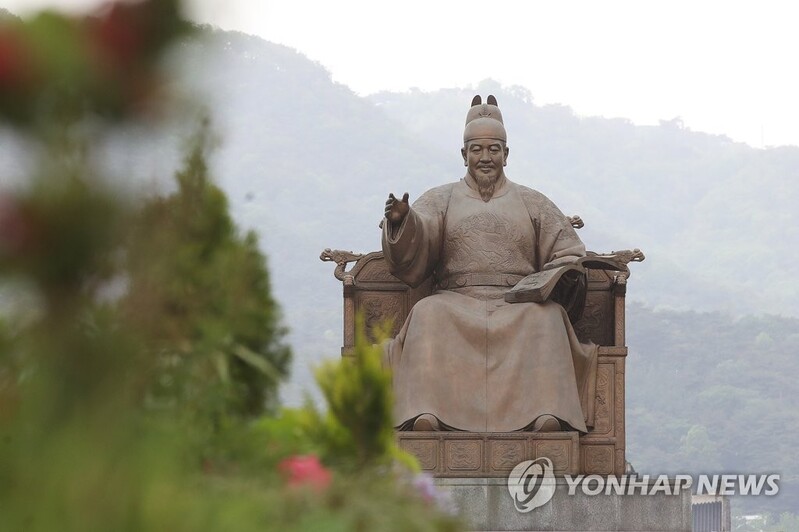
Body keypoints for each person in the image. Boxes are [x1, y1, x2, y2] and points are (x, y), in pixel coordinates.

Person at [381, 95, 597, 433]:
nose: (485, 158)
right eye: (477, 150)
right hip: (455, 301)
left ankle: (546, 414)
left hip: (517, 303)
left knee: (548, 317)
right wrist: (402, 222)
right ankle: (426, 413)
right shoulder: (441, 198)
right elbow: (418, 238)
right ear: (464, 154)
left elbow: (567, 250)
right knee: (427, 313)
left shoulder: (533, 201)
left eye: (494, 150)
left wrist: (564, 273)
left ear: (506, 155)